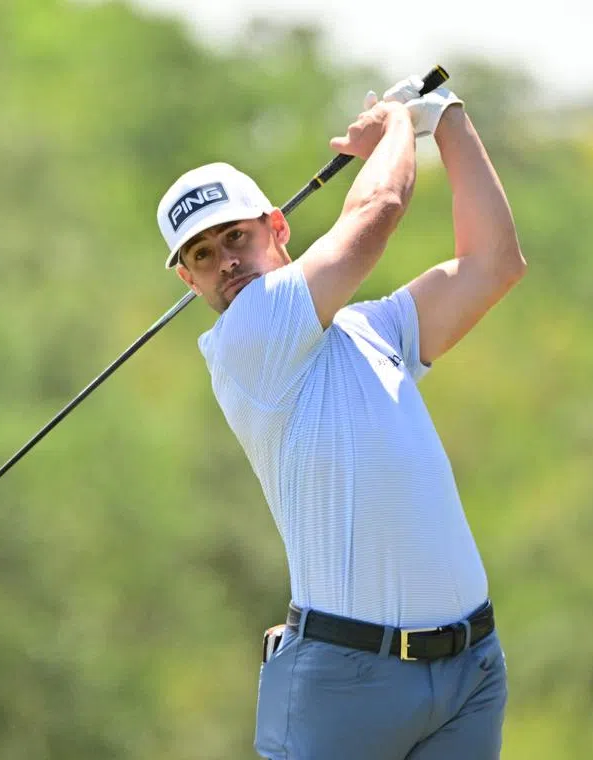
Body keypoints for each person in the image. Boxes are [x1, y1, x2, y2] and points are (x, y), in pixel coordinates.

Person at [154, 73, 526, 759]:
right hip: (348, 683)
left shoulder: (374, 329)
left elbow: (494, 263)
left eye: (236, 237)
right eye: (203, 256)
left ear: (277, 227)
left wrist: (444, 116)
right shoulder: (246, 338)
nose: (227, 263)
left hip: (469, 669)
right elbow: (377, 209)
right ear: (189, 279)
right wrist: (396, 125)